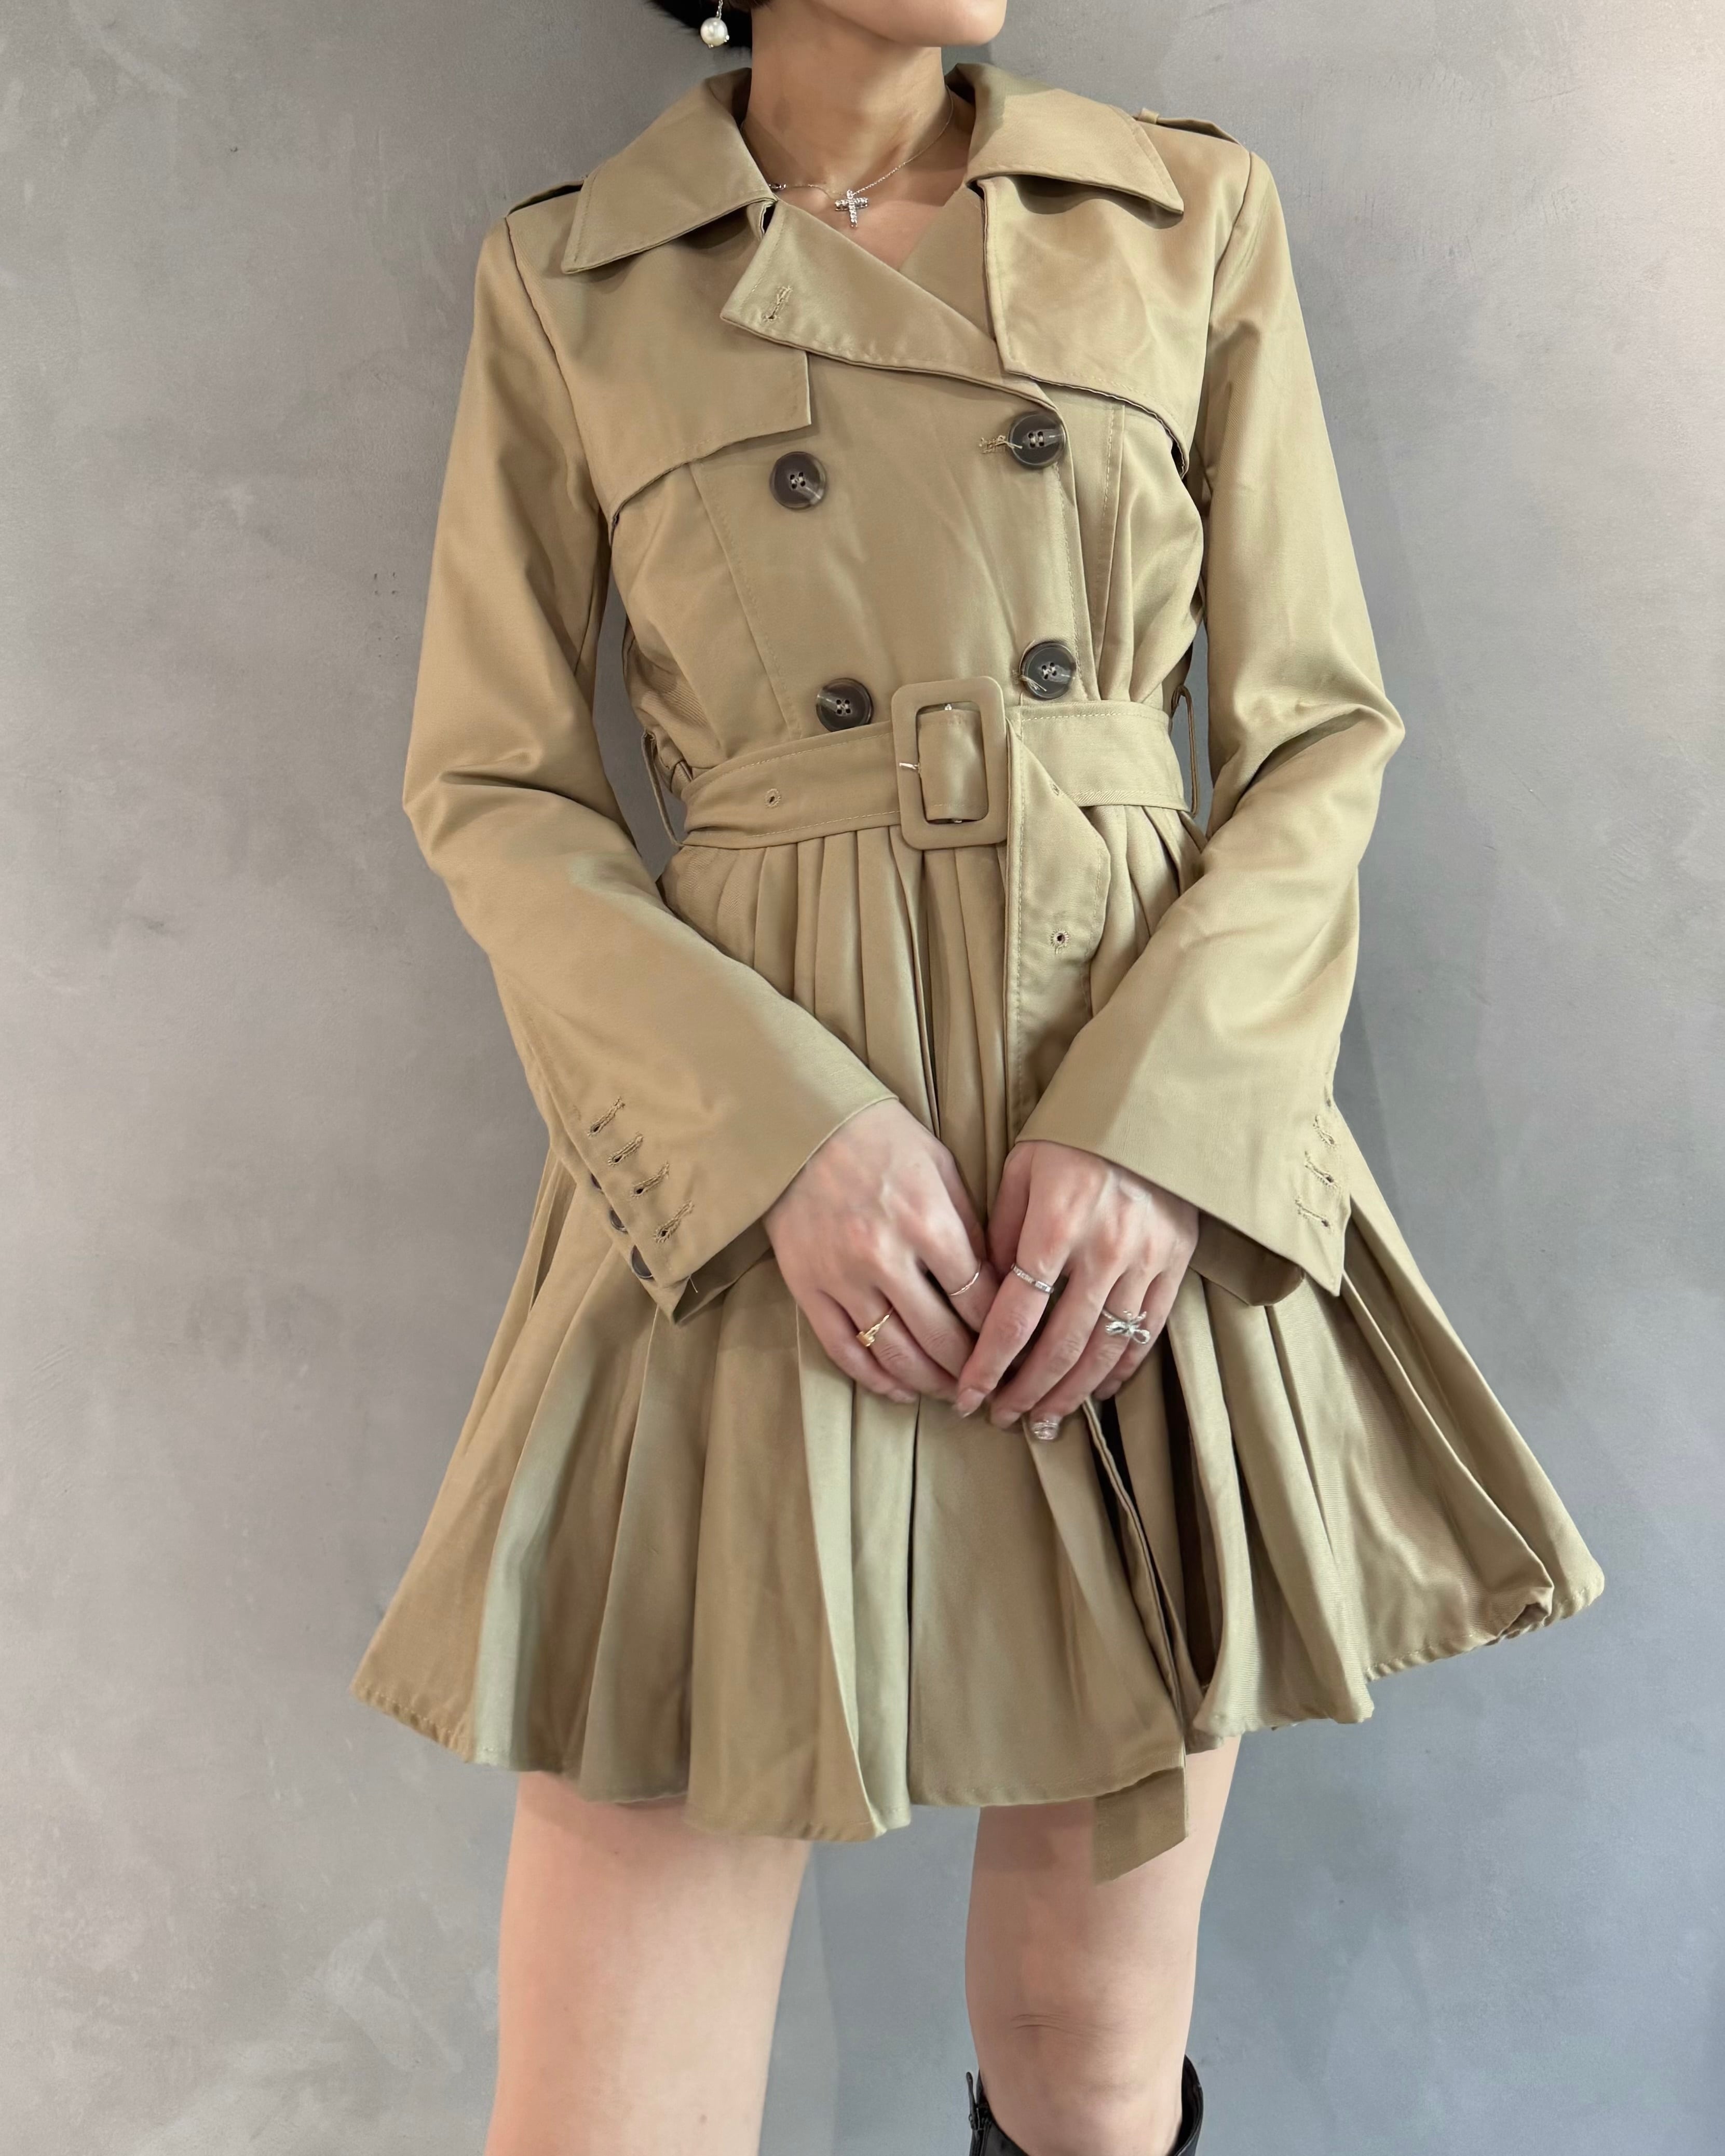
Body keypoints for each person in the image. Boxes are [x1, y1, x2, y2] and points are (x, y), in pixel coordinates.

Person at [350, 3, 1605, 2151]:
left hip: (1122, 1162)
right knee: (603, 2105)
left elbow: (1314, 740)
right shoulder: (577, 275)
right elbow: (496, 786)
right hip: (753, 1183)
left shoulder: (1183, 213)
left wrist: (1160, 1132)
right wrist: (773, 1141)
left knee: (1088, 2065)